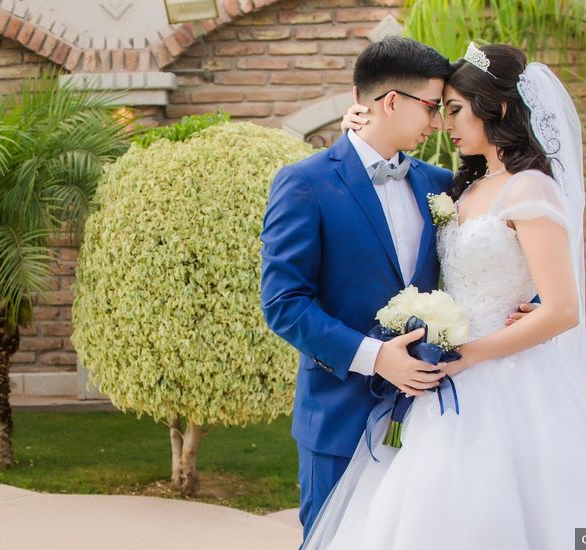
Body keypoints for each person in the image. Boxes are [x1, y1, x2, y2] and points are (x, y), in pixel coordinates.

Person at [303, 43, 586, 549]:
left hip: (506, 380)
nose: (444, 123)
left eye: (453, 109)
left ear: (501, 109)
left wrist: (466, 354)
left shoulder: (531, 187)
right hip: (439, 380)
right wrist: (357, 133)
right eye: (437, 109)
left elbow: (562, 309)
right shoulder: (460, 187)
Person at [260, 36, 457, 541]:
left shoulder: (441, 184)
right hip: (339, 416)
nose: (436, 122)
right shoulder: (304, 183)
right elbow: (284, 304)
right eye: (431, 107)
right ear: (392, 101)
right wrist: (375, 356)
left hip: (430, 421)